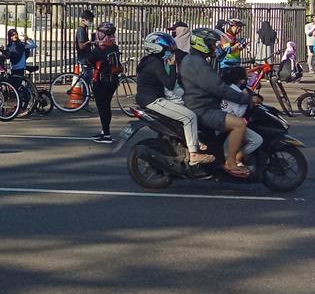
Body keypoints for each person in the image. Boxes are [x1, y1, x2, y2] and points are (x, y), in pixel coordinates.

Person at [180, 27, 262, 178]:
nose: (214, 47)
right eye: (211, 44)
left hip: (204, 104)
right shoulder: (197, 63)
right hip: (203, 109)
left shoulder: (195, 60)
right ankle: (230, 162)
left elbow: (217, 82)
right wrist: (246, 99)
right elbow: (218, 88)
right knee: (239, 124)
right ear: (201, 44)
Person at [135, 32, 213, 165]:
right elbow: (170, 84)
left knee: (183, 108)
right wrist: (172, 65)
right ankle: (194, 154)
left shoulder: (146, 61)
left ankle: (193, 140)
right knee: (190, 116)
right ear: (157, 48)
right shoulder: (156, 63)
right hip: (153, 100)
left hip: (146, 98)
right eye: (168, 50)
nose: (170, 53)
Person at [88, 21, 122, 143]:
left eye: (99, 32)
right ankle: (104, 131)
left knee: (103, 107)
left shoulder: (99, 49)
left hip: (102, 80)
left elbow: (89, 61)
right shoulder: (114, 46)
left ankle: (106, 135)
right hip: (113, 80)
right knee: (106, 106)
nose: (97, 34)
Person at [75, 8, 96, 80]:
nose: (91, 22)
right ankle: (85, 91)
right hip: (83, 57)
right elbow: (81, 46)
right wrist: (90, 42)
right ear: (84, 20)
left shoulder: (84, 29)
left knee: (88, 76)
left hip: (86, 56)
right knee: (87, 77)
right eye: (90, 20)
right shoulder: (81, 30)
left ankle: (86, 89)